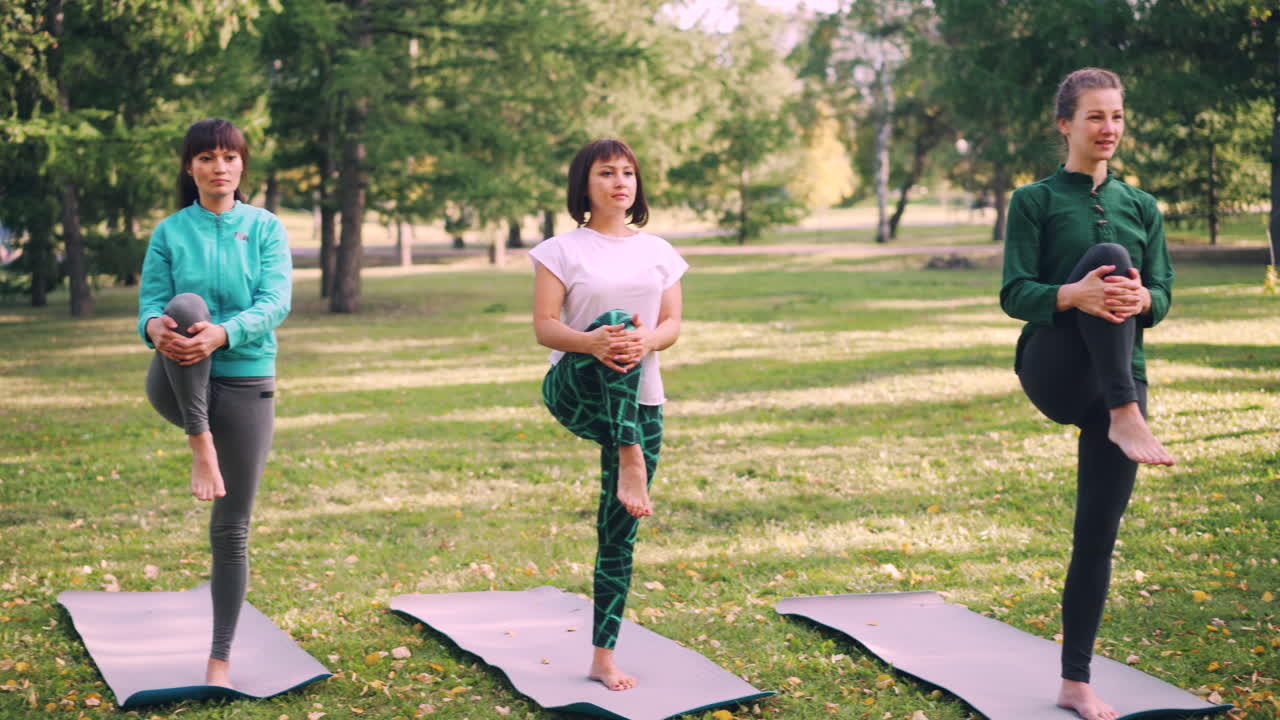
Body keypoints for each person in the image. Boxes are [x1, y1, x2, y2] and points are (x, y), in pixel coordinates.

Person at [1001, 68, 1175, 720]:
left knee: (1096, 532)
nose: (1109, 130)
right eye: (1096, 117)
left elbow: (1163, 297)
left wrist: (1142, 298)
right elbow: (1015, 293)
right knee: (1104, 251)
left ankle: (1076, 680)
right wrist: (1074, 294)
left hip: (1120, 374)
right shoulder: (1035, 201)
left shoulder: (1144, 206)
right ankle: (1124, 414)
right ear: (1065, 123)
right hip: (1055, 369)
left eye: (1118, 117)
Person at [137, 118, 291, 687]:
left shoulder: (267, 228)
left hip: (248, 382)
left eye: (229, 157)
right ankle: (200, 442)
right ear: (190, 168)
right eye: (206, 158)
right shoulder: (171, 231)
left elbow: (275, 301)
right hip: (174, 382)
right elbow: (151, 303)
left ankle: (220, 659)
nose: (218, 167)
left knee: (232, 530)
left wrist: (223, 334)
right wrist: (155, 326)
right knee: (182, 300)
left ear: (242, 165)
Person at [529, 139, 688, 691]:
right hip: (574, 386)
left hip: (640, 395)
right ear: (585, 184)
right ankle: (629, 457)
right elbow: (546, 327)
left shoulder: (660, 251)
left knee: (618, 532)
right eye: (606, 173)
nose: (621, 182)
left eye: (628, 173)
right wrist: (595, 341)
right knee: (619, 323)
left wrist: (646, 343)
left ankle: (603, 656)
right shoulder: (561, 251)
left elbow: (670, 325)